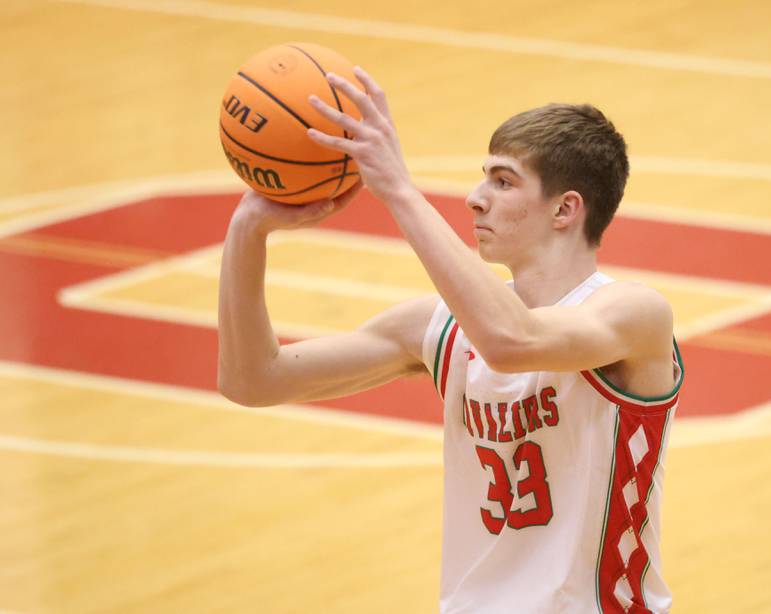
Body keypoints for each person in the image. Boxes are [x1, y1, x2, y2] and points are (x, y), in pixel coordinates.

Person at [217, 67, 684, 614]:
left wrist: (396, 188)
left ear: (565, 209)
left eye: (503, 181)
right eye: (482, 177)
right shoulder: (442, 328)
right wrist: (248, 229)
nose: (474, 198)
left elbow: (512, 341)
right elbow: (253, 380)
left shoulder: (635, 314)